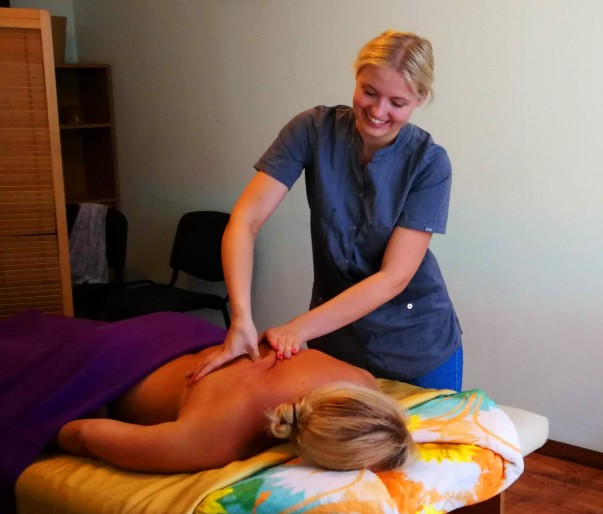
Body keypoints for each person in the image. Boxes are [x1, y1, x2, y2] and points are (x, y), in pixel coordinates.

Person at [188, 30, 463, 391]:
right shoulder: (312, 130)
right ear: (356, 76)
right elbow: (245, 220)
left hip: (417, 344)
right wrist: (240, 317)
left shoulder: (429, 163)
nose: (378, 111)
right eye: (369, 92)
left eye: (397, 102)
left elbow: (393, 278)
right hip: (336, 341)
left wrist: (295, 329)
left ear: (420, 98)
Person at [56, 342, 414, 474]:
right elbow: (82, 433)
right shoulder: (212, 440)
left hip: (182, 332)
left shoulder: (357, 378)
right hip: (114, 367)